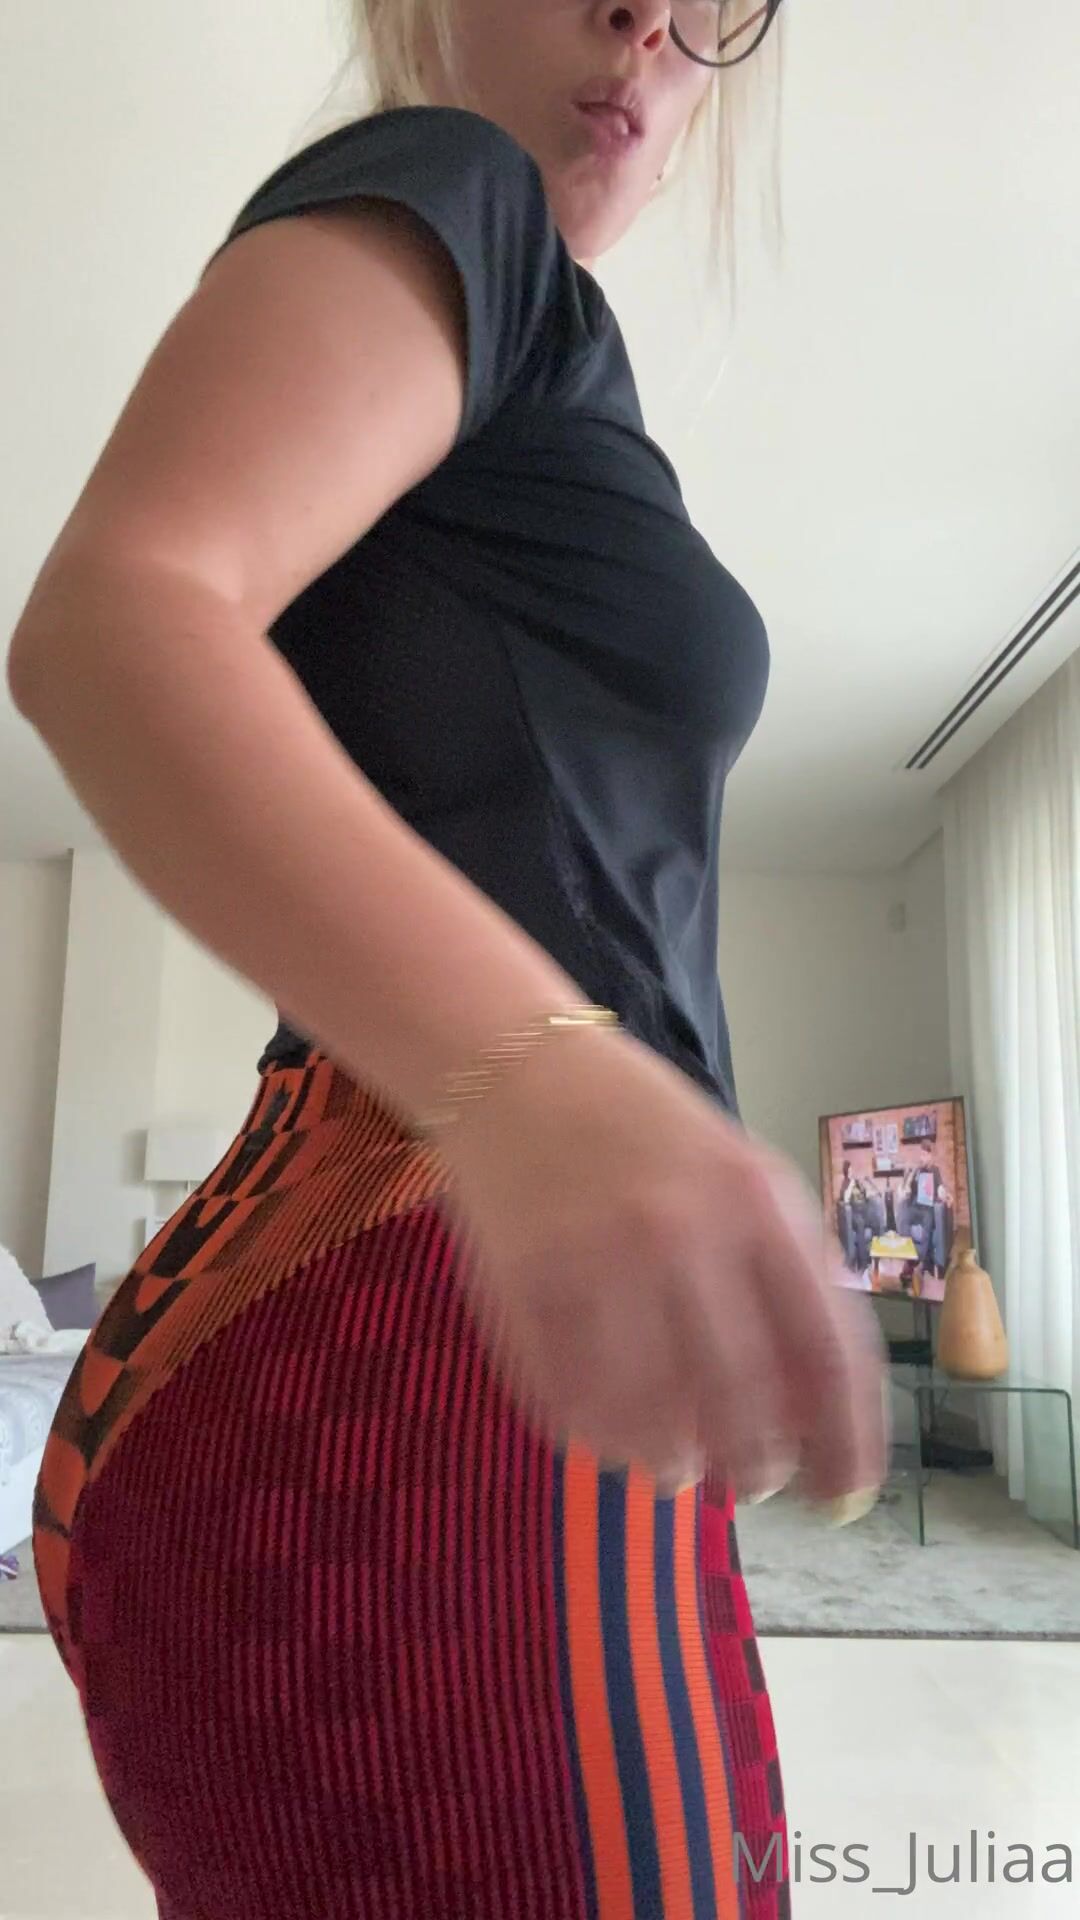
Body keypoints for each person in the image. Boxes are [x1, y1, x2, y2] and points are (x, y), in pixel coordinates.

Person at [8, 3, 886, 1914]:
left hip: (386, 1301)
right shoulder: (456, 188)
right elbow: (115, 618)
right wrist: (540, 1076)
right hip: (412, 1320)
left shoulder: (544, 369)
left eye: (715, 3)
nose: (648, 21)